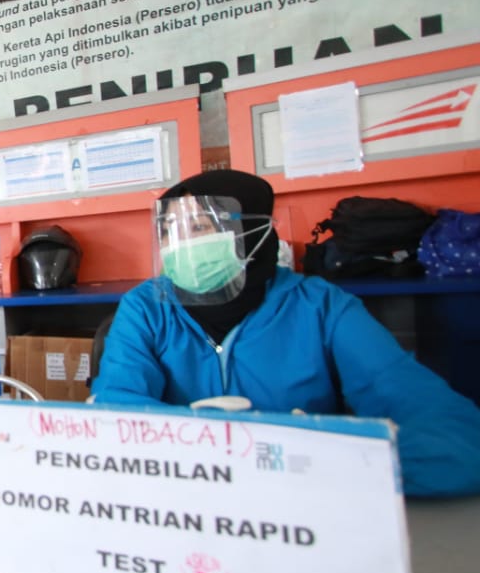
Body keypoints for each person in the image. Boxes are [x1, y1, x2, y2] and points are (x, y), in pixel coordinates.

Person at [91, 169, 480, 497]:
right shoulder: (146, 307)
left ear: (252, 233)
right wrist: (227, 458)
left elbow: (457, 439)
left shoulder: (321, 308)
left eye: (200, 226)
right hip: (181, 509)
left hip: (303, 513)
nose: (183, 245)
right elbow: (119, 416)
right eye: (170, 231)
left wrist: (303, 460)